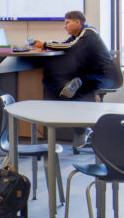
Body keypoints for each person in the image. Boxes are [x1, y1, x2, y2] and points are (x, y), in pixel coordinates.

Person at [32, 10, 118, 148]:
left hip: (103, 76)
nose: (65, 26)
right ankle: (83, 128)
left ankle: (82, 130)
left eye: (67, 23)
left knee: (67, 92)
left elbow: (70, 47)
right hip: (88, 75)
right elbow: (65, 45)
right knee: (60, 88)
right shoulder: (76, 36)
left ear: (77, 22)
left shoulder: (89, 32)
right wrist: (47, 44)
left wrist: (45, 44)